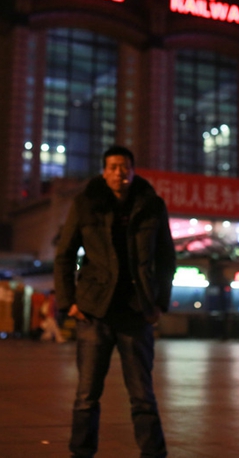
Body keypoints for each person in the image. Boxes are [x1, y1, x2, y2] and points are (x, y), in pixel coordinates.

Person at [54, 145, 176, 458]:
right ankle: (81, 452)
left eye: (124, 167)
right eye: (112, 167)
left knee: (142, 396)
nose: (119, 173)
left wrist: (159, 301)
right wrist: (69, 301)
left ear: (132, 171)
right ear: (103, 171)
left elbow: (166, 258)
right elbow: (65, 254)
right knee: (86, 394)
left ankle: (154, 453)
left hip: (137, 312)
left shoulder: (151, 205)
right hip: (95, 311)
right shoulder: (86, 204)